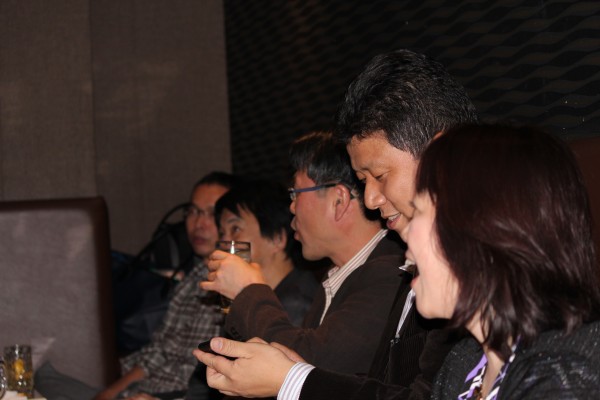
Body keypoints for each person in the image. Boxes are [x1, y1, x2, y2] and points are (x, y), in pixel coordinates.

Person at [194, 124, 600, 399]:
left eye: (419, 213)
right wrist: (295, 374)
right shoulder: (466, 362)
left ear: (484, 228)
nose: (402, 238)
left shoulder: (566, 373)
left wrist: (293, 378)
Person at [193, 48, 479, 399]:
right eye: (364, 180)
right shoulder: (398, 264)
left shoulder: (448, 266)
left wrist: (291, 376)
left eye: (379, 175)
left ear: (439, 155)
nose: (370, 200)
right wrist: (292, 373)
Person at [201, 130, 405, 375]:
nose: (291, 208)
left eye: (295, 194)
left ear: (338, 201)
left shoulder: (391, 271)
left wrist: (248, 290)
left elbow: (310, 368)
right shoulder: (337, 277)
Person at [35, 172, 236, 400]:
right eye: (193, 211)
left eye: (211, 213)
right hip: (143, 388)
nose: (199, 224)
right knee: (44, 378)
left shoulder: (229, 282)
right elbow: (159, 350)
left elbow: (199, 372)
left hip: (168, 394)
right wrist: (111, 391)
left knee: (47, 380)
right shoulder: (196, 273)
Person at [185, 178, 319, 399]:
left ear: (277, 238)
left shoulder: (296, 302)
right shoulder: (248, 299)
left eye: (235, 229)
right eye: (222, 233)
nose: (226, 244)